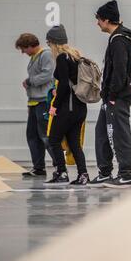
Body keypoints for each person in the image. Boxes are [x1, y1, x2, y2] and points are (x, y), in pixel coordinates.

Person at [89, 0, 131, 189]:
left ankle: (125, 175)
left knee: (119, 134)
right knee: (102, 132)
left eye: (98, 20)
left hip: (118, 96)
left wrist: (112, 94)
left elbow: (119, 71)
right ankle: (105, 172)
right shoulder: (117, 38)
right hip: (110, 96)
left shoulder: (119, 41)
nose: (97, 23)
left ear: (107, 20)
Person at [44, 24, 89, 186]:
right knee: (74, 143)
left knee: (53, 139)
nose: (49, 47)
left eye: (49, 44)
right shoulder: (76, 56)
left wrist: (54, 104)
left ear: (55, 43)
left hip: (67, 108)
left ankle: (62, 172)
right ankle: (83, 174)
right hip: (80, 108)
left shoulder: (62, 57)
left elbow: (63, 84)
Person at [15, 33, 55, 177]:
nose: (23, 52)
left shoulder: (45, 54)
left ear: (30, 45)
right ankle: (39, 168)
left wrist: (30, 81)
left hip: (44, 101)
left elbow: (48, 75)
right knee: (32, 135)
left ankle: (59, 166)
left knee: (45, 135)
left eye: (23, 49)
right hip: (34, 102)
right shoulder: (34, 57)